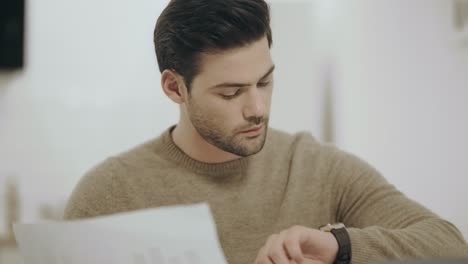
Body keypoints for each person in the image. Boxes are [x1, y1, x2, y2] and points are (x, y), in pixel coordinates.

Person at [63, 0, 468, 263]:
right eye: (231, 92)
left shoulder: (317, 168)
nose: (258, 109)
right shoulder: (109, 195)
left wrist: (339, 247)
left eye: (265, 81)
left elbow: (449, 246)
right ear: (175, 87)